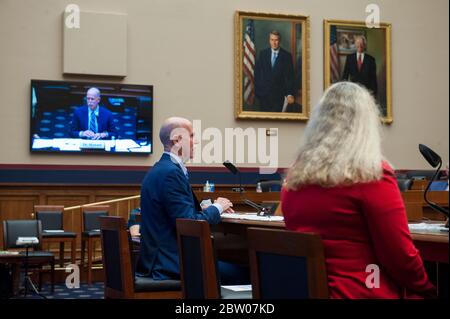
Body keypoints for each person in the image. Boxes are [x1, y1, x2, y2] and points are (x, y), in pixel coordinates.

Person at [281, 82, 435, 299]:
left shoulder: (294, 179)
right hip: (362, 291)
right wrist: (429, 288)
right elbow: (400, 257)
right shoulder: (369, 174)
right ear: (366, 124)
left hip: (307, 290)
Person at [138, 117, 249, 284]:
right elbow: (188, 223)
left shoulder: (161, 169)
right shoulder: (170, 173)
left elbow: (177, 215)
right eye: (191, 136)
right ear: (176, 139)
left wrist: (205, 209)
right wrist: (218, 207)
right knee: (254, 272)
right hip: (170, 264)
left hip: (161, 260)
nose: (195, 142)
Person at [254, 30, 295, 112]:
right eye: (272, 40)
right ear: (269, 40)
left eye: (276, 40)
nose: (274, 43)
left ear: (280, 41)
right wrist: (258, 92)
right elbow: (257, 74)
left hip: (279, 96)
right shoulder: (263, 54)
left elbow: (289, 77)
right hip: (264, 96)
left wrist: (289, 94)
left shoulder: (287, 56)